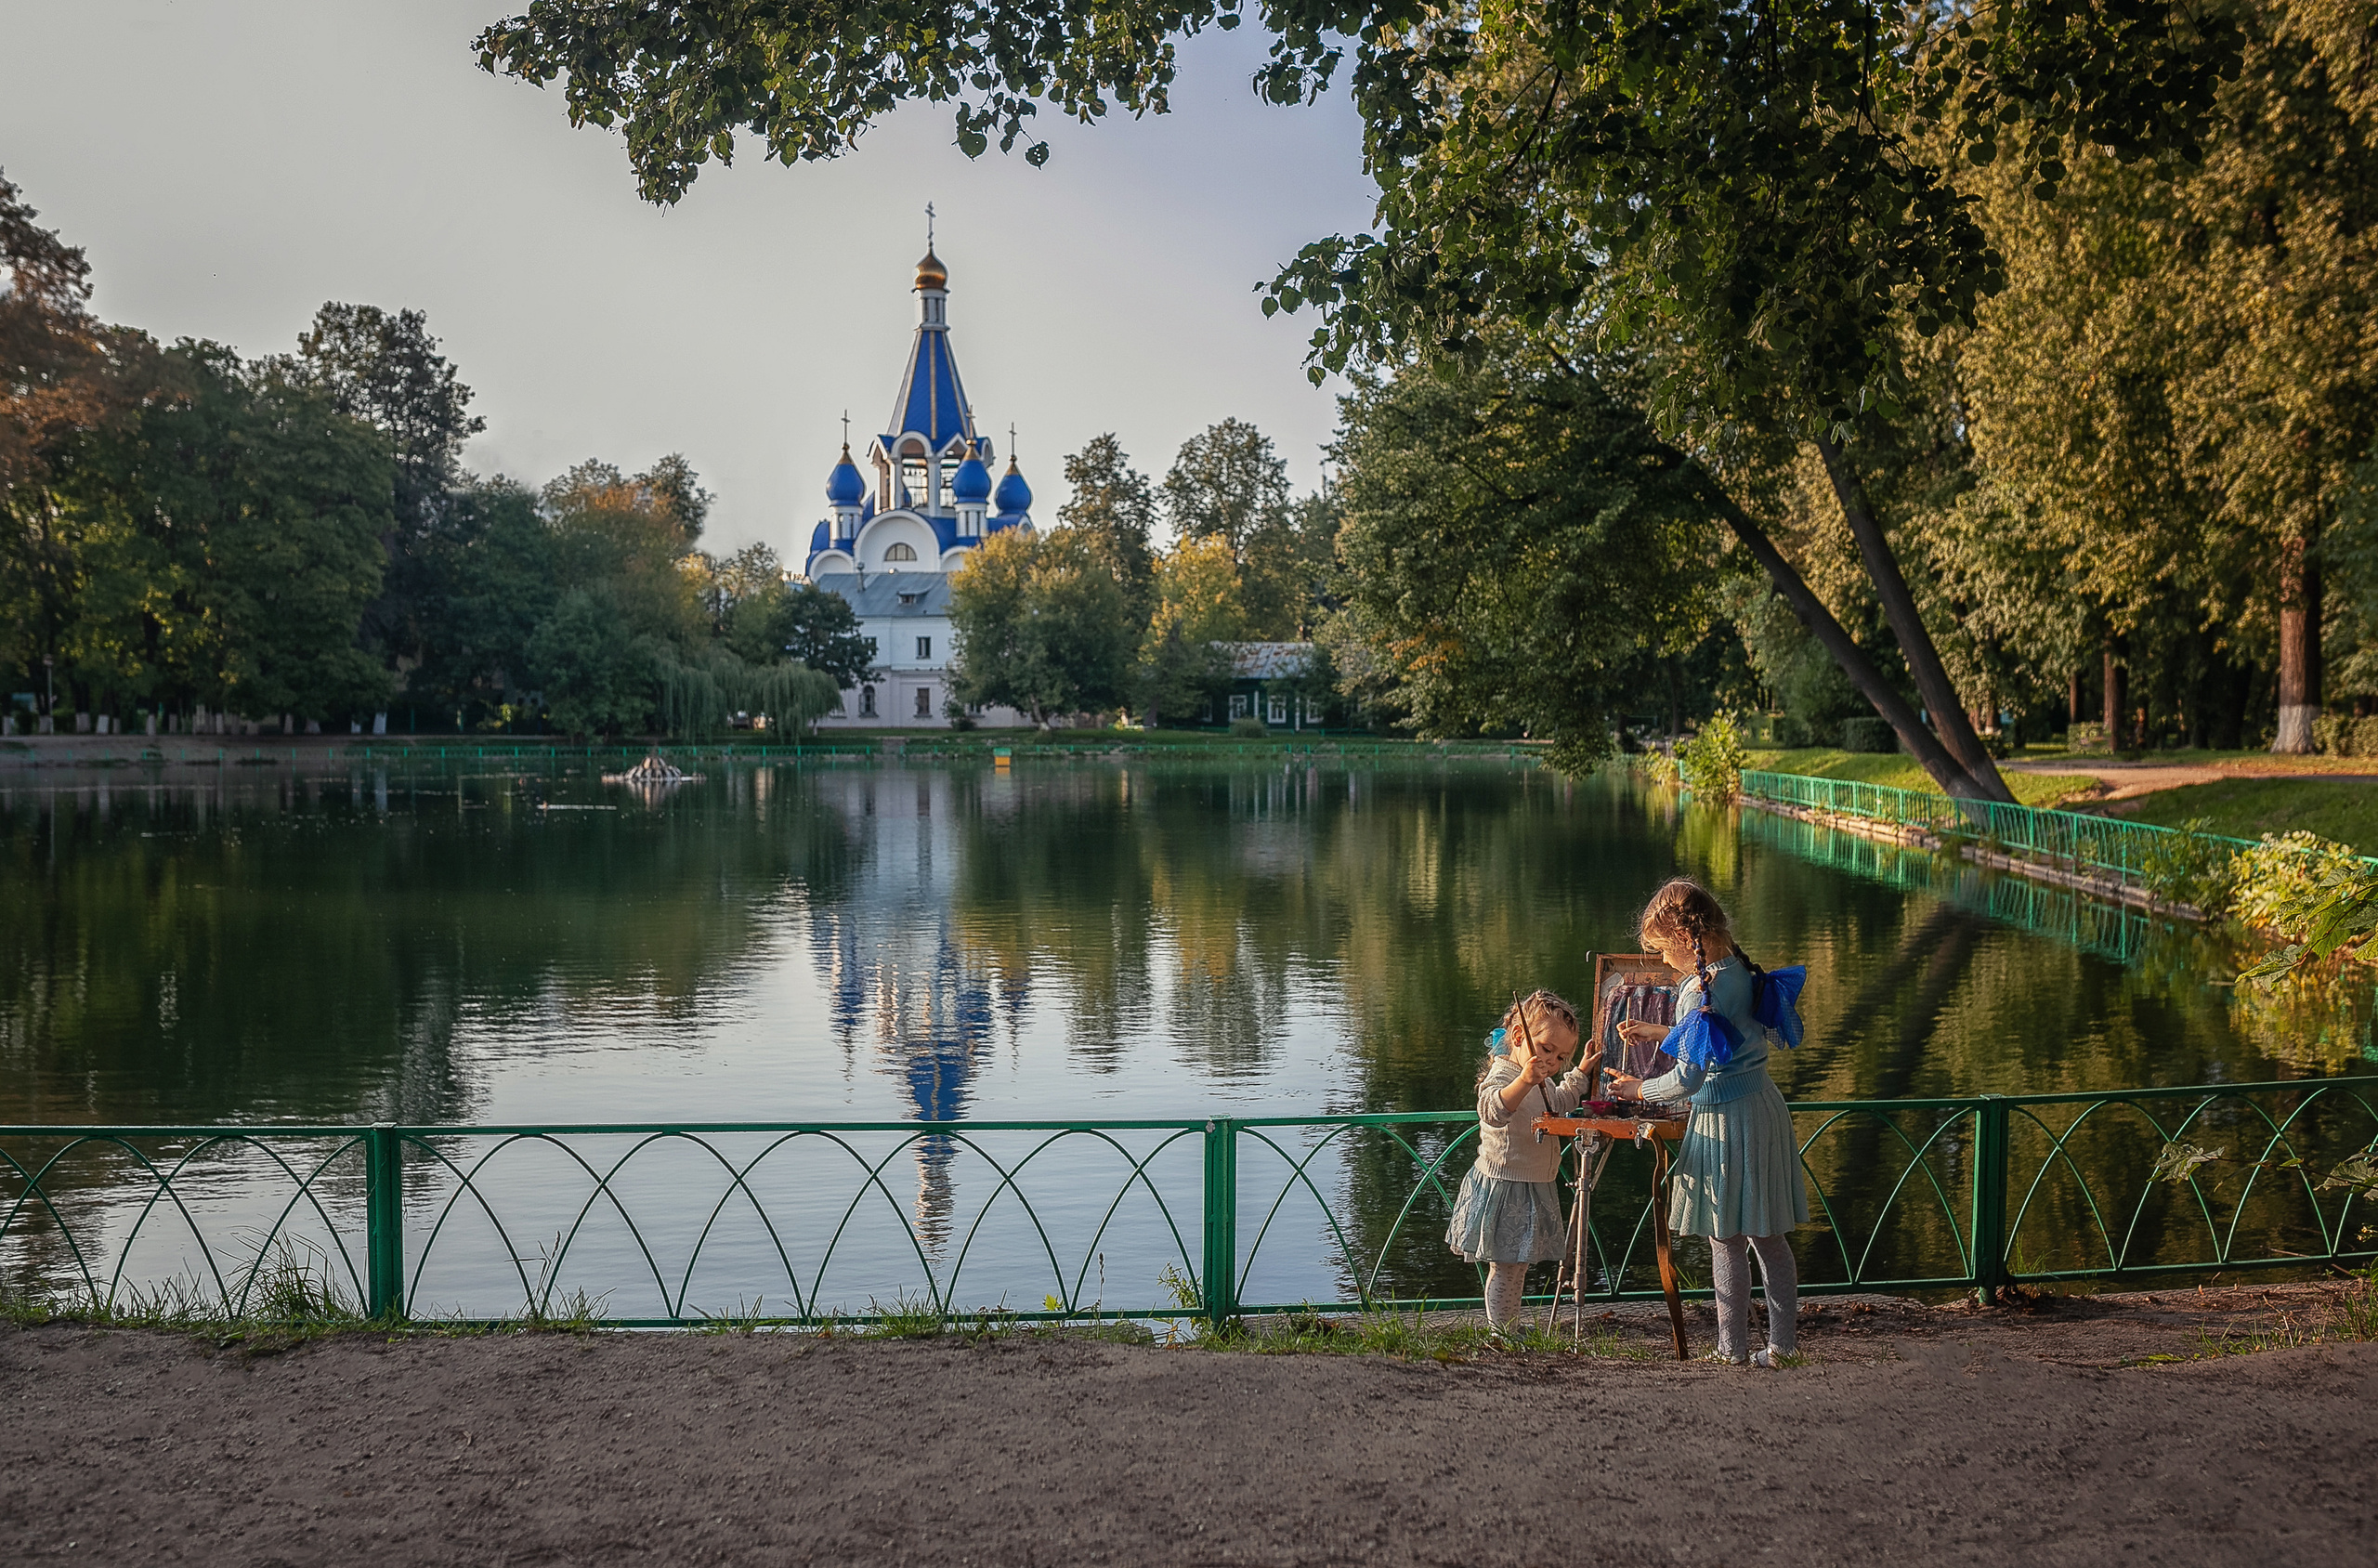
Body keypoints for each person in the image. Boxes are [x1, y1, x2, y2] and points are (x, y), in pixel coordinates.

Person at [1606, 878, 1810, 1366]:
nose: (1663, 962)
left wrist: (1638, 1089)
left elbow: (1688, 1080)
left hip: (1724, 1122)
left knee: (1727, 1240)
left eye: (1662, 951)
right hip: (1763, 1109)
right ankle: (1782, 1347)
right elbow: (1725, 1035)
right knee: (1769, 1238)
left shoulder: (1697, 988)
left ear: (1681, 936)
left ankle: (1731, 1350)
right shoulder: (1739, 969)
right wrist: (1660, 1033)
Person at [1445, 989, 1593, 1336]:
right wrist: (1525, 1080)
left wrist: (1581, 1071)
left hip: (1532, 1182)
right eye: (1545, 1049)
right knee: (1506, 1267)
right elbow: (1492, 1111)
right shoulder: (1503, 1075)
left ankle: (1508, 1326)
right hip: (1505, 1184)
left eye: (1561, 1057)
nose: (1552, 1062)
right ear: (1517, 1037)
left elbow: (1559, 1102)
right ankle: (1502, 1331)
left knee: (1517, 1266)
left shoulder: (1544, 1079)